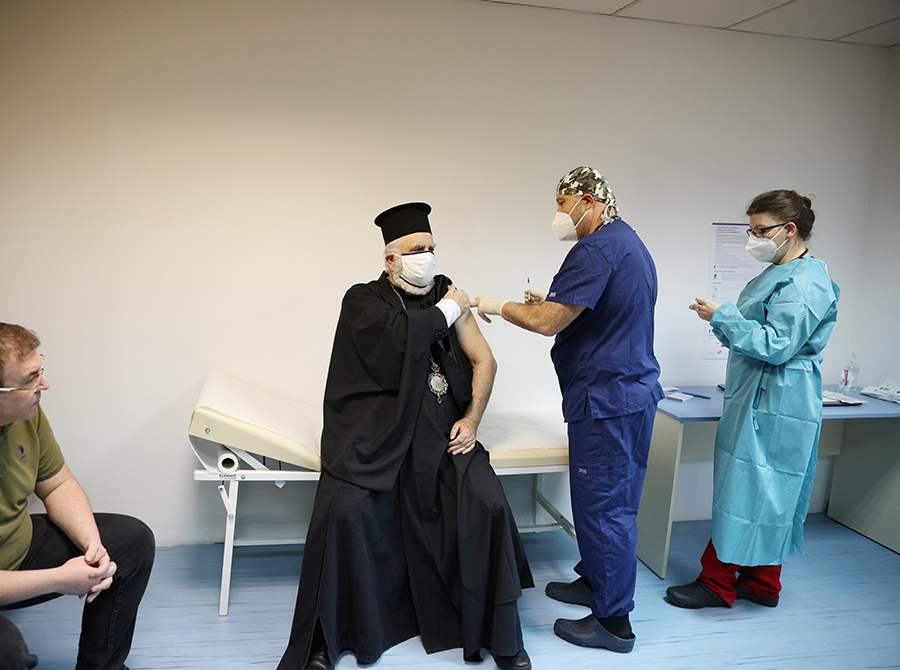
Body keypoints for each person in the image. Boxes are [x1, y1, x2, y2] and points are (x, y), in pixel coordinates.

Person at [277, 203, 533, 670]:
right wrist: (449, 309)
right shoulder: (362, 300)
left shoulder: (447, 294)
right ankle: (324, 639)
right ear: (391, 259)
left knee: (488, 502)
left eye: (432, 249)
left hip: (442, 436)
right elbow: (400, 338)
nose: (428, 258)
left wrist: (473, 419)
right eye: (417, 250)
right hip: (378, 437)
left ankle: (503, 636)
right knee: (343, 510)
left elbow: (484, 360)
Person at [473, 166, 663, 654]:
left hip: (606, 401)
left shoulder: (595, 248)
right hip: (624, 396)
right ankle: (595, 582)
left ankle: (614, 623)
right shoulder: (627, 242)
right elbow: (593, 309)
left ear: (592, 201)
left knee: (606, 510)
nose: (560, 214)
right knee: (600, 502)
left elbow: (546, 323)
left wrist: (499, 305)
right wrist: (551, 302)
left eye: (564, 204)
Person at [0, 321, 155, 670]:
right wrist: (59, 579)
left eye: (40, 371)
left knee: (132, 541)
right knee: (0, 652)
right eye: (31, 379)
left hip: (10, 547)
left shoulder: (19, 410)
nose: (44, 385)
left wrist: (92, 551)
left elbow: (57, 484)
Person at [666, 190, 838, 610]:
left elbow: (778, 345)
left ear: (790, 229)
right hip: (760, 395)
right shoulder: (776, 274)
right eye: (751, 230)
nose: (753, 238)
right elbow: (751, 336)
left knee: (748, 493)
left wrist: (723, 316)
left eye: (761, 231)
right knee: (766, 492)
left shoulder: (806, 282)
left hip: (778, 402)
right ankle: (762, 585)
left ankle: (717, 584)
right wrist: (721, 319)